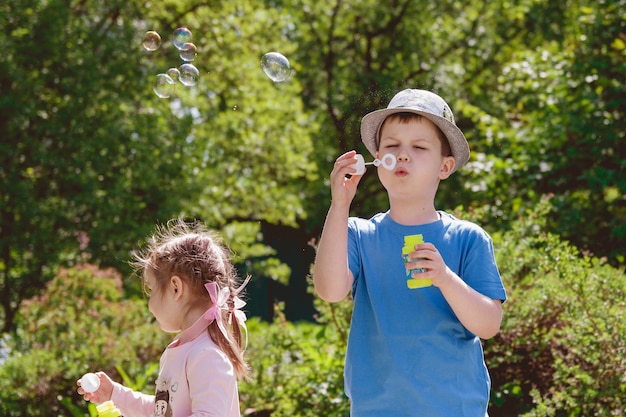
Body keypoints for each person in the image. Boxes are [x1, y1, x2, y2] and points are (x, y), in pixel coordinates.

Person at [313, 88, 507, 416]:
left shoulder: (467, 239)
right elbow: (330, 291)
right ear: (378, 159)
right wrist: (340, 204)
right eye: (392, 146)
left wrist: (445, 279)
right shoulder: (360, 234)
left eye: (418, 147)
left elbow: (488, 325)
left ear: (444, 167)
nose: (403, 155)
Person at [78, 219, 250, 417]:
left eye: (151, 290)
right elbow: (162, 411)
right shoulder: (182, 350)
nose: (149, 303)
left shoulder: (207, 356)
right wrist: (115, 394)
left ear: (176, 288)